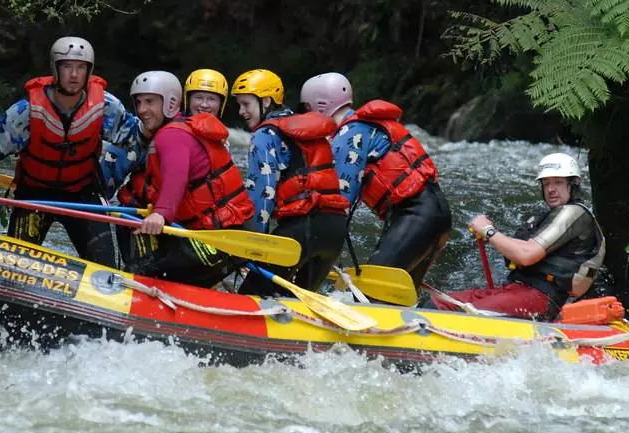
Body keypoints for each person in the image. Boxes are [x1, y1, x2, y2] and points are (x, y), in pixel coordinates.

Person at [0, 37, 146, 267]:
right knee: (14, 268)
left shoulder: (106, 107)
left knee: (107, 269)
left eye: (81, 68)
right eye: (67, 67)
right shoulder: (27, 110)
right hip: (35, 194)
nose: (74, 75)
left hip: (83, 193)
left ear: (89, 71)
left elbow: (141, 138)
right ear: (56, 69)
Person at [300, 72, 452, 292]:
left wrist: (325, 252)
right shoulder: (366, 127)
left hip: (415, 217)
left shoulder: (348, 136)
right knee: (400, 294)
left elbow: (342, 203)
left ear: (321, 107)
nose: (306, 115)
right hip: (438, 213)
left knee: (372, 290)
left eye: (307, 108)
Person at [119, 71, 255, 286]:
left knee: (142, 272)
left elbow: (177, 176)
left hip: (224, 236)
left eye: (150, 102)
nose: (142, 110)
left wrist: (161, 214)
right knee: (172, 278)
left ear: (171, 103)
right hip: (219, 232)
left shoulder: (173, 134)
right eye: (138, 103)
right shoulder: (187, 130)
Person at [432, 153, 605, 319]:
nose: (551, 189)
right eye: (546, 184)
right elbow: (522, 248)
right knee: (438, 302)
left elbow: (526, 255)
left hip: (543, 299)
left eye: (558, 183)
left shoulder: (574, 214)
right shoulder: (548, 216)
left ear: (573, 184)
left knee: (449, 311)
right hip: (519, 290)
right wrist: (490, 233)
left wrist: (489, 232)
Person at [230, 70, 350, 295]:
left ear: (265, 101)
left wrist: (252, 248)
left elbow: (261, 196)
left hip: (300, 233)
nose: (241, 112)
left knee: (251, 297)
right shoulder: (306, 127)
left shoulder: (264, 135)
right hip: (335, 230)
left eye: (245, 104)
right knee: (295, 305)